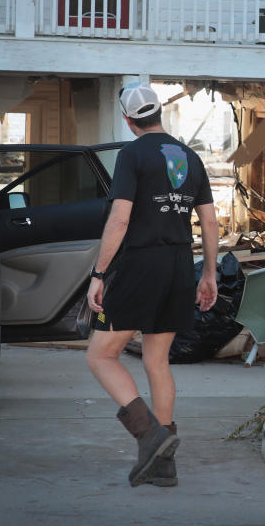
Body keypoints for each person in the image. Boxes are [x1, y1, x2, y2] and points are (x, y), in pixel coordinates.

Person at [85, 82, 218, 488]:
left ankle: (150, 436)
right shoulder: (191, 157)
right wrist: (208, 273)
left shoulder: (132, 155)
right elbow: (209, 221)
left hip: (139, 265)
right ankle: (164, 465)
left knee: (101, 355)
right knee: (157, 361)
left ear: (128, 120)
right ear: (159, 113)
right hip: (179, 265)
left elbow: (120, 220)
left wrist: (99, 273)